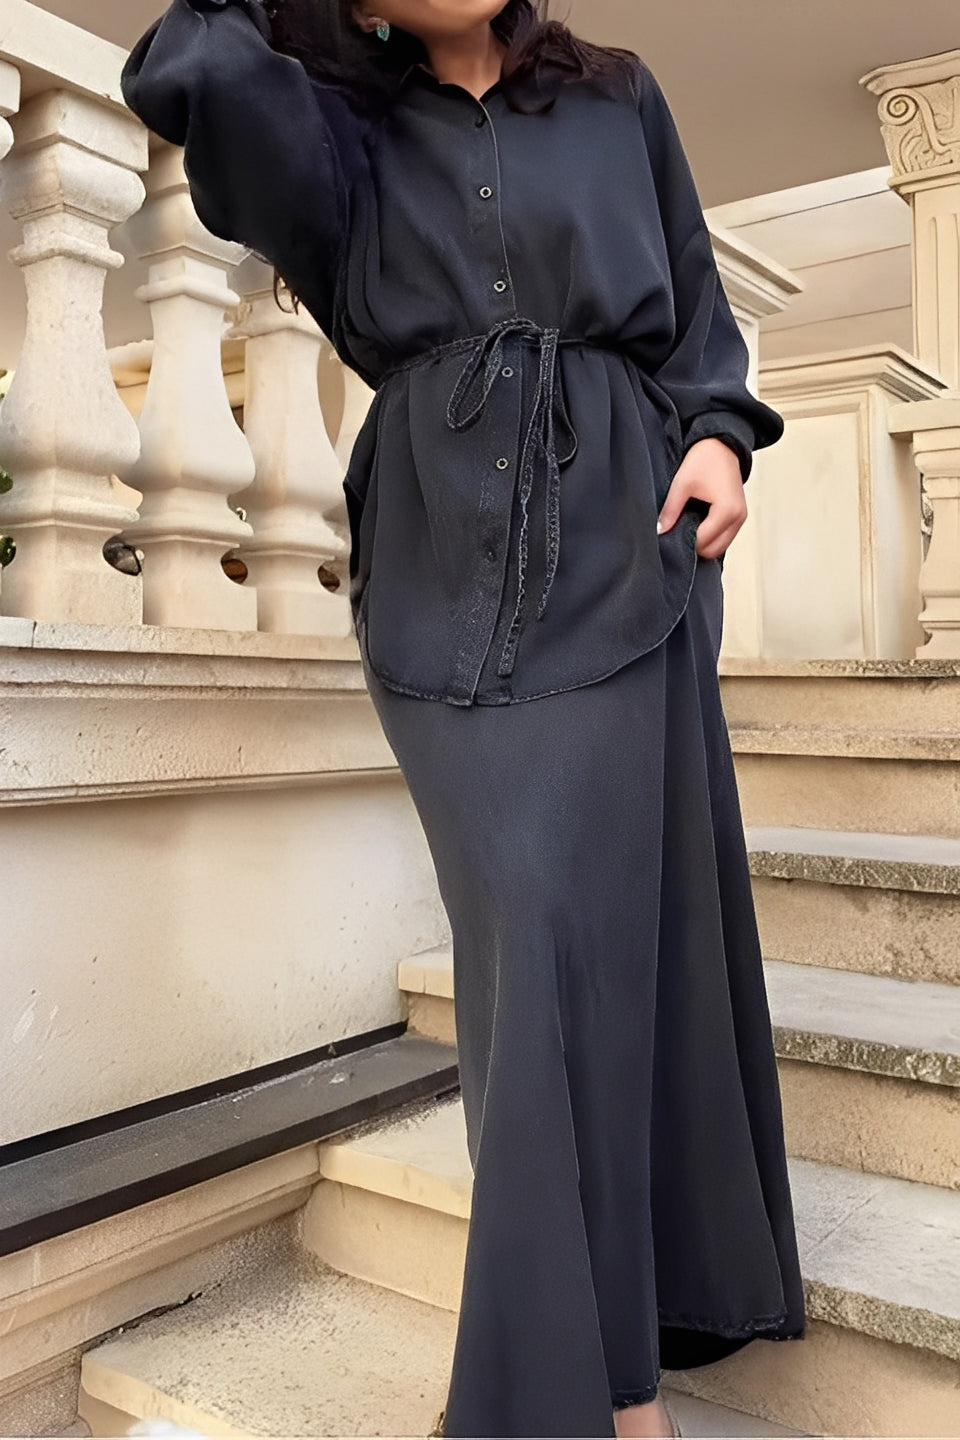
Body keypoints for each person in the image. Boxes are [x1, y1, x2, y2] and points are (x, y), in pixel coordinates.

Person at [120, 1, 807, 1435]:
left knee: (586, 959)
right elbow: (187, 65)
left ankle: (600, 1385)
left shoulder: (618, 96)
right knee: (528, 948)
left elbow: (695, 300)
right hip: (439, 574)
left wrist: (721, 436)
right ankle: (591, 1378)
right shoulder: (338, 134)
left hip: (623, 547)